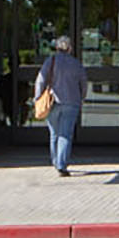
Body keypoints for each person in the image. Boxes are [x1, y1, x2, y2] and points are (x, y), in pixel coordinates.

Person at [34, 35, 87, 177]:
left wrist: (37, 98)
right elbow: (83, 83)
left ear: (57, 47)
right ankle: (61, 165)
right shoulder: (76, 64)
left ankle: (56, 161)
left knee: (54, 133)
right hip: (72, 102)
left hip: (52, 102)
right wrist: (81, 98)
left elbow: (40, 81)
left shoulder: (50, 61)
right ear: (69, 48)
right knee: (66, 134)